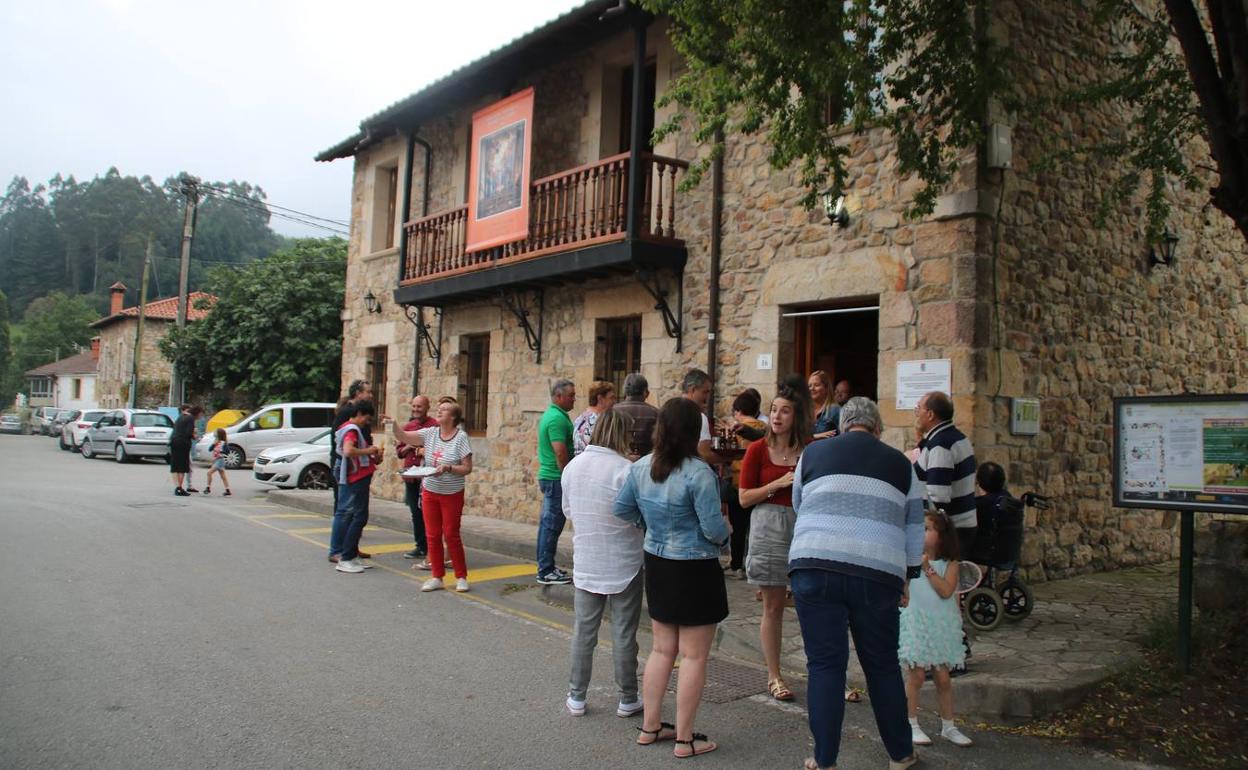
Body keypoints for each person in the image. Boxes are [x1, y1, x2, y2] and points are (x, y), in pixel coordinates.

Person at [789, 397, 923, 770]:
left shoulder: (813, 455)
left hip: (814, 564)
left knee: (825, 665)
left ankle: (825, 759)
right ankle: (900, 754)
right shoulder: (901, 465)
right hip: (876, 573)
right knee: (881, 665)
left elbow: (801, 505)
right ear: (877, 429)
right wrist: (909, 575)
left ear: (844, 425)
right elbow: (914, 526)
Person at [614, 398, 729, 758]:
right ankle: (684, 739)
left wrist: (648, 525)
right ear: (694, 431)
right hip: (695, 566)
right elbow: (712, 528)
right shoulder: (699, 473)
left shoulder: (641, 467)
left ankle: (650, 727)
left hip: (658, 562)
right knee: (694, 657)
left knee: (662, 649)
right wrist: (726, 533)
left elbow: (622, 508)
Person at [561, 409, 644, 718]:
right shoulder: (627, 470)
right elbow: (638, 516)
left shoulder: (572, 468)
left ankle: (577, 695)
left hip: (587, 559)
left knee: (584, 632)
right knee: (624, 633)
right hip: (625, 561)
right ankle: (627, 697)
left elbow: (568, 510)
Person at [738, 381, 811, 701]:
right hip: (768, 528)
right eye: (774, 410)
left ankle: (823, 672)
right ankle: (774, 675)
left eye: (785, 411)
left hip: (804, 528)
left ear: (797, 416)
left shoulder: (810, 450)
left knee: (812, 605)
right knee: (772, 607)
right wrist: (780, 482)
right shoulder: (756, 450)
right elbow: (743, 499)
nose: (777, 416)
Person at [900, 509, 974, 748]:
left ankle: (948, 726)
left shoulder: (950, 563)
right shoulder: (910, 559)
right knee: (917, 674)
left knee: (943, 678)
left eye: (927, 529)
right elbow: (905, 587)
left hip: (940, 624)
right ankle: (911, 724)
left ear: (941, 536)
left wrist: (928, 569)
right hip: (916, 621)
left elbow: (945, 591)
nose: (922, 533)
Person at [392, 400, 474, 592]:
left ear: (453, 417)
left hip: (451, 493)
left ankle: (461, 577)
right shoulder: (430, 433)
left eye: (444, 409)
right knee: (432, 534)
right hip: (430, 490)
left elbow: (467, 468)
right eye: (440, 409)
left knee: (451, 534)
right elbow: (404, 436)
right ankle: (437, 576)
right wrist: (393, 425)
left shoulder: (461, 437)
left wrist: (449, 468)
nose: (440, 411)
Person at [913, 391, 978, 556]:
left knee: (942, 580)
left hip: (950, 531)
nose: (916, 412)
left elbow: (938, 496)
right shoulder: (957, 437)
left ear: (930, 414)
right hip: (961, 525)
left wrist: (931, 534)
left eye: (919, 408)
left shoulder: (941, 445)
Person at [334, 401, 382, 574]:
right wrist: (368, 451)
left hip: (356, 477)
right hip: (357, 477)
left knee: (357, 516)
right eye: (367, 419)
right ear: (360, 414)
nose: (366, 423)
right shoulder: (352, 430)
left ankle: (352, 556)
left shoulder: (345, 427)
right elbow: (348, 451)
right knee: (359, 517)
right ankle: (346, 557)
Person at [535, 378, 576, 585]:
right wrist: (567, 476)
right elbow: (560, 451)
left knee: (547, 524)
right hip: (555, 478)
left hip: (551, 476)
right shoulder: (557, 419)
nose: (574, 400)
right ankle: (546, 570)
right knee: (552, 524)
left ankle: (545, 567)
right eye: (571, 396)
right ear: (558, 396)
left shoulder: (555, 415)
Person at [329, 380, 375, 562]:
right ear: (357, 393)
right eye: (368, 392)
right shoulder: (349, 415)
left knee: (353, 511)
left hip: (355, 465)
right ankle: (337, 550)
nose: (371, 395)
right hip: (347, 467)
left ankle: (350, 548)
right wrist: (367, 451)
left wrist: (370, 453)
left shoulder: (356, 416)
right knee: (345, 510)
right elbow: (343, 445)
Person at [725, 390, 766, 579]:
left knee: (738, 528)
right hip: (759, 484)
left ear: (738, 410)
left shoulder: (737, 429)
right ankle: (753, 563)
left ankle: (736, 565)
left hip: (738, 482)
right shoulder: (765, 427)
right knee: (755, 527)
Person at [396, 395, 436, 562]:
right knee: (415, 512)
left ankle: (432, 548)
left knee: (429, 513)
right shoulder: (408, 427)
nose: (416, 409)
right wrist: (409, 446)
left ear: (427, 407)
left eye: (419, 406)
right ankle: (421, 546)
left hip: (428, 478)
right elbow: (399, 452)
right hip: (411, 477)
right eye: (414, 406)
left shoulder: (435, 426)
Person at [681, 368, 724, 466]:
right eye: (705, 392)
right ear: (692, 389)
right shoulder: (698, 417)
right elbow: (704, 455)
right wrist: (727, 458)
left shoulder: (668, 412)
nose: (708, 397)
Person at [613, 373, 659, 457]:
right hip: (646, 462)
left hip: (617, 460)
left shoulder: (612, 411)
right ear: (645, 392)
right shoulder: (655, 413)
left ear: (625, 391)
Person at [572, 380, 617, 456]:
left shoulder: (579, 419)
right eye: (611, 398)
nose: (614, 401)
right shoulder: (600, 421)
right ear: (600, 399)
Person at [168, 405, 203, 497]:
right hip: (182, 443)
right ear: (198, 413)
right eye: (201, 415)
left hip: (174, 441)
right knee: (182, 467)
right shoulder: (191, 418)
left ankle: (177, 487)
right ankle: (179, 488)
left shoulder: (182, 416)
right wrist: (195, 436)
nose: (201, 417)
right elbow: (188, 433)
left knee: (175, 465)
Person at [808, 371, 840, 440]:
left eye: (816, 385)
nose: (812, 388)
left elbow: (844, 436)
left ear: (826, 388)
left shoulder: (835, 410)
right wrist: (817, 436)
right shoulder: (805, 411)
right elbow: (797, 437)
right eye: (809, 386)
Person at [203, 428, 232, 496]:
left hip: (220, 460)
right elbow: (210, 449)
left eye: (216, 432)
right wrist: (214, 444)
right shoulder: (215, 441)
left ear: (219, 434)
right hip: (216, 460)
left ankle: (208, 488)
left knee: (209, 473)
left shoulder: (223, 443)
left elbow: (228, 452)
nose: (214, 433)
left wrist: (221, 452)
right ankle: (227, 490)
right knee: (223, 476)